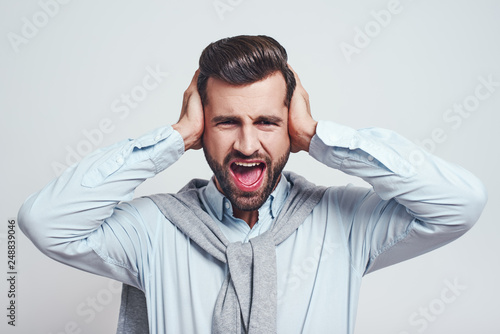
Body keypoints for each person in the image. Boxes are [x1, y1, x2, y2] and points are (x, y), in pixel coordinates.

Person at [18, 35, 487, 334]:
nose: (247, 144)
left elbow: (459, 204)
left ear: (291, 126)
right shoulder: (152, 230)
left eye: (266, 121)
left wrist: (321, 138)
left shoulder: (344, 223)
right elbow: (45, 222)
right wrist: (173, 139)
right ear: (203, 126)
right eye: (226, 122)